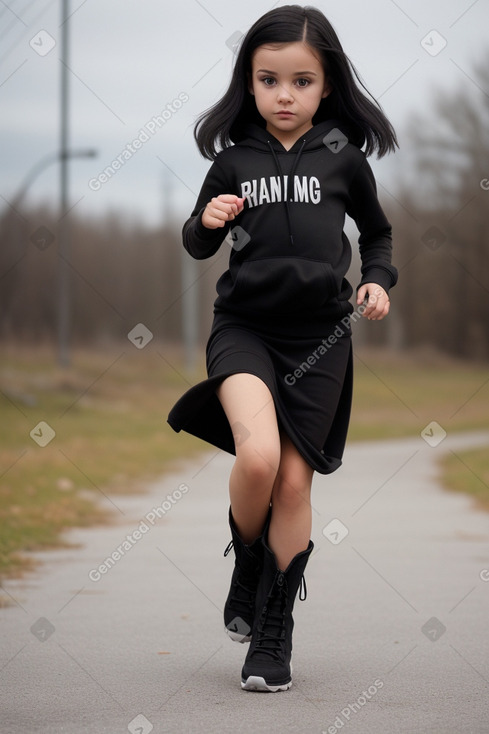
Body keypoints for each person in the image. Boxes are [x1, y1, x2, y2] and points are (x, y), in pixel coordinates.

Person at [168, 4, 398, 692]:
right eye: (269, 80)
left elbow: (378, 236)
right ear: (250, 81)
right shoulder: (232, 159)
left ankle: (273, 631)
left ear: (325, 86)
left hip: (320, 337)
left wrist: (376, 282)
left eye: (301, 81)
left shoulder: (344, 160)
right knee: (260, 457)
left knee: (295, 482)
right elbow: (197, 240)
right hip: (244, 329)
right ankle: (247, 566)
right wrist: (205, 220)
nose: (284, 94)